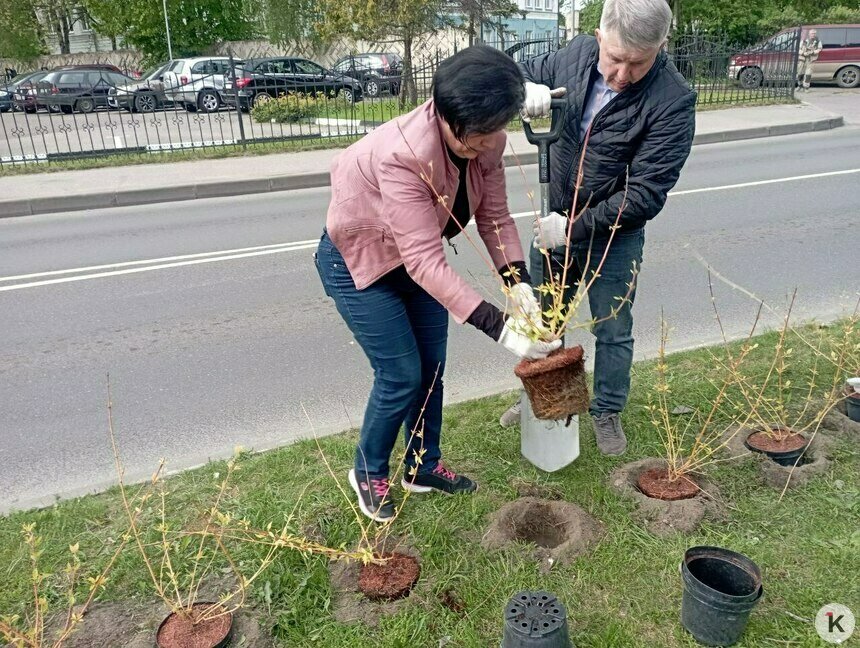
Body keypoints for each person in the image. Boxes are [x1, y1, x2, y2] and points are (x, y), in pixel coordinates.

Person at [315, 46, 561, 523]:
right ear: (444, 117)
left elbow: (494, 218)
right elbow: (425, 261)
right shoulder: (403, 156)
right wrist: (503, 328)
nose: (485, 146)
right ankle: (368, 470)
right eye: (473, 140)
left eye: (493, 134)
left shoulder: (488, 136)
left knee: (431, 368)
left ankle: (422, 466)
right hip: (359, 263)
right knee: (401, 373)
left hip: (413, 256)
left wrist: (520, 285)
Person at [501, 0, 696, 456]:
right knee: (545, 320)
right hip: (553, 216)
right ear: (599, 34)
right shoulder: (573, 55)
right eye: (616, 59)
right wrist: (523, 85)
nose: (623, 74)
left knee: (612, 327)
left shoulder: (673, 99)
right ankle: (542, 394)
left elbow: (645, 193)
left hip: (614, 234)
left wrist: (573, 229)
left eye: (639, 62)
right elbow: (508, 68)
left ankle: (606, 409)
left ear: (660, 46)